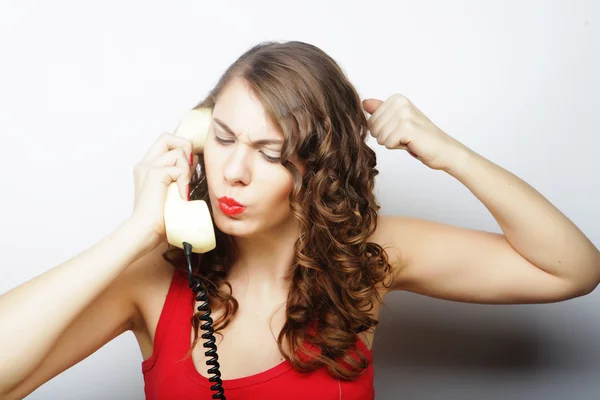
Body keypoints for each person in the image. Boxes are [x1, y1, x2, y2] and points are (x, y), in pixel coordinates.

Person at [1, 40, 598, 400]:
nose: (233, 171)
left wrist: (451, 155)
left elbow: (570, 271)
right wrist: (135, 233)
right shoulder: (150, 280)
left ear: (319, 169)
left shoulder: (367, 257)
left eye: (271, 153)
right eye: (225, 138)